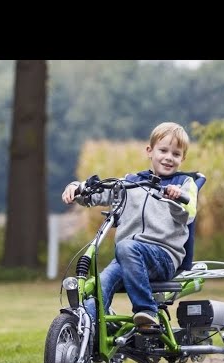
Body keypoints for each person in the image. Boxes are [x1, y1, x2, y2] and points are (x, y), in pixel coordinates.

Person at [61, 122, 198, 332]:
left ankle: (147, 311)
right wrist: (77, 189)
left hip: (163, 258)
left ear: (183, 158)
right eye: (163, 150)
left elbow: (189, 212)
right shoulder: (132, 182)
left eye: (176, 154)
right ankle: (86, 332)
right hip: (128, 257)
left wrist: (177, 197)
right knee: (100, 285)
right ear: (149, 151)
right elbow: (100, 194)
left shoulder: (183, 183)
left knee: (126, 247)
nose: (169, 157)